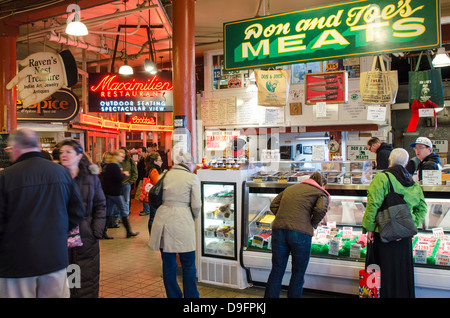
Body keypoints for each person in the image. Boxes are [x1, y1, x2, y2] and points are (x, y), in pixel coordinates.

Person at [0, 128, 84, 298]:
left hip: (16, 263)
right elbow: (77, 211)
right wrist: (57, 232)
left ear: (15, 148)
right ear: (37, 146)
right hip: (55, 259)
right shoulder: (61, 172)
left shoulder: (6, 177)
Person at [362, 148, 427, 298]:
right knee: (401, 272)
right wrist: (408, 226)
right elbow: (422, 208)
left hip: (384, 234)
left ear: (389, 161)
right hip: (404, 239)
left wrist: (369, 229)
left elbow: (373, 205)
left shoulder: (382, 177)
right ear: (405, 163)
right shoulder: (412, 182)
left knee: (382, 273)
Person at [264, 172, 330, 298]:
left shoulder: (290, 188)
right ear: (322, 184)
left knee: (277, 270)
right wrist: (312, 223)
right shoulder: (320, 192)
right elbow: (321, 209)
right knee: (298, 273)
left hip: (279, 230)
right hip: (300, 233)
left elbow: (273, 205)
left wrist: (284, 217)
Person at [149, 151, 201, 298]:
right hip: (183, 219)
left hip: (164, 220)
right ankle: (191, 297)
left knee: (168, 264)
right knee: (188, 263)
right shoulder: (192, 178)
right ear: (189, 163)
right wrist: (194, 217)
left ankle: (173, 295)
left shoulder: (164, 176)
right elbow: (196, 205)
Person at [59, 139, 106, 298]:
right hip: (61, 240)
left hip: (86, 240)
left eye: (68, 152)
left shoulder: (91, 178)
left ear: (79, 156)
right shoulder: (56, 178)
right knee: (67, 283)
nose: (64, 155)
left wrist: (96, 231)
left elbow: (100, 205)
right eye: (61, 152)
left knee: (86, 280)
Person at [102, 150, 139, 238]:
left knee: (109, 212)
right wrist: (124, 174)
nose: (122, 158)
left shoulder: (108, 166)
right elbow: (119, 178)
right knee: (123, 211)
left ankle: (103, 232)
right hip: (116, 193)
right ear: (116, 157)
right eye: (121, 157)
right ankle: (129, 231)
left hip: (109, 193)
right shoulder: (115, 166)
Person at [142, 152, 164, 233]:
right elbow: (157, 182)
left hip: (152, 196)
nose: (162, 162)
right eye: (160, 160)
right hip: (155, 196)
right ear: (155, 161)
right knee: (153, 217)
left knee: (153, 216)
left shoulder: (151, 169)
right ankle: (152, 236)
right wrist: (163, 176)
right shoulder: (154, 170)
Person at [118, 147, 138, 215]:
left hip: (126, 184)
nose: (122, 154)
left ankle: (125, 216)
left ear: (126, 153)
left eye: (123, 152)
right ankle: (119, 216)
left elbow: (135, 173)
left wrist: (130, 182)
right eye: (120, 152)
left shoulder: (130, 160)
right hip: (118, 184)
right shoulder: (117, 161)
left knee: (126, 201)